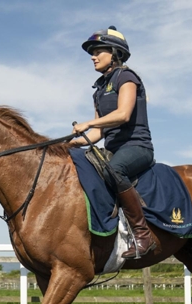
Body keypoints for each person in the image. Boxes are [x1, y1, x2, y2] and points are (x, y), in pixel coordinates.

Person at [72, 26, 156, 259]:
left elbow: (123, 114)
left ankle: (143, 235)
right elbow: (99, 133)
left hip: (137, 147)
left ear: (115, 53)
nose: (93, 56)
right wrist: (72, 144)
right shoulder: (99, 89)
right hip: (112, 149)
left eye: (98, 51)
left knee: (114, 169)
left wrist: (87, 124)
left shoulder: (126, 77)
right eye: (92, 52)